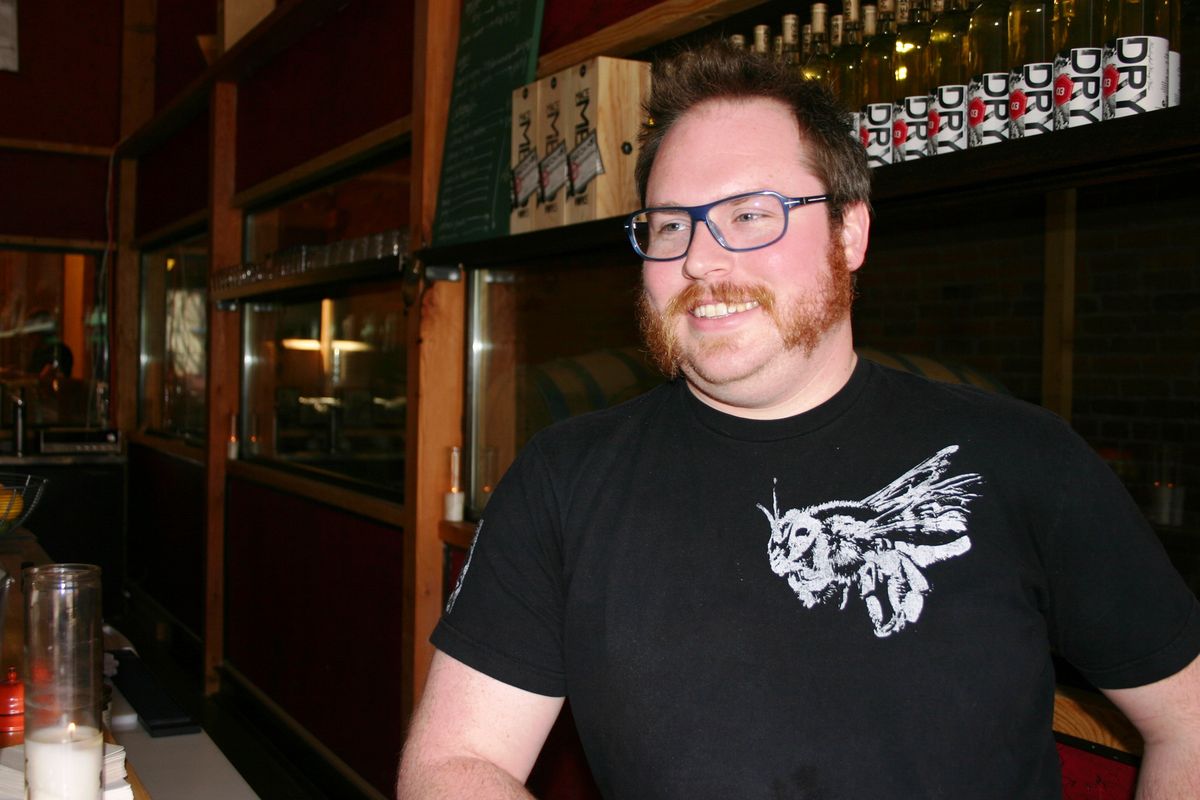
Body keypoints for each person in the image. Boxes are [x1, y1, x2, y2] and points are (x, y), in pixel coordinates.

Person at [398, 41, 1200, 799]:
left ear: (849, 233)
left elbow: (1190, 725)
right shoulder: (564, 477)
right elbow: (455, 760)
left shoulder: (1022, 457)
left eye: (752, 214)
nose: (702, 261)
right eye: (670, 225)